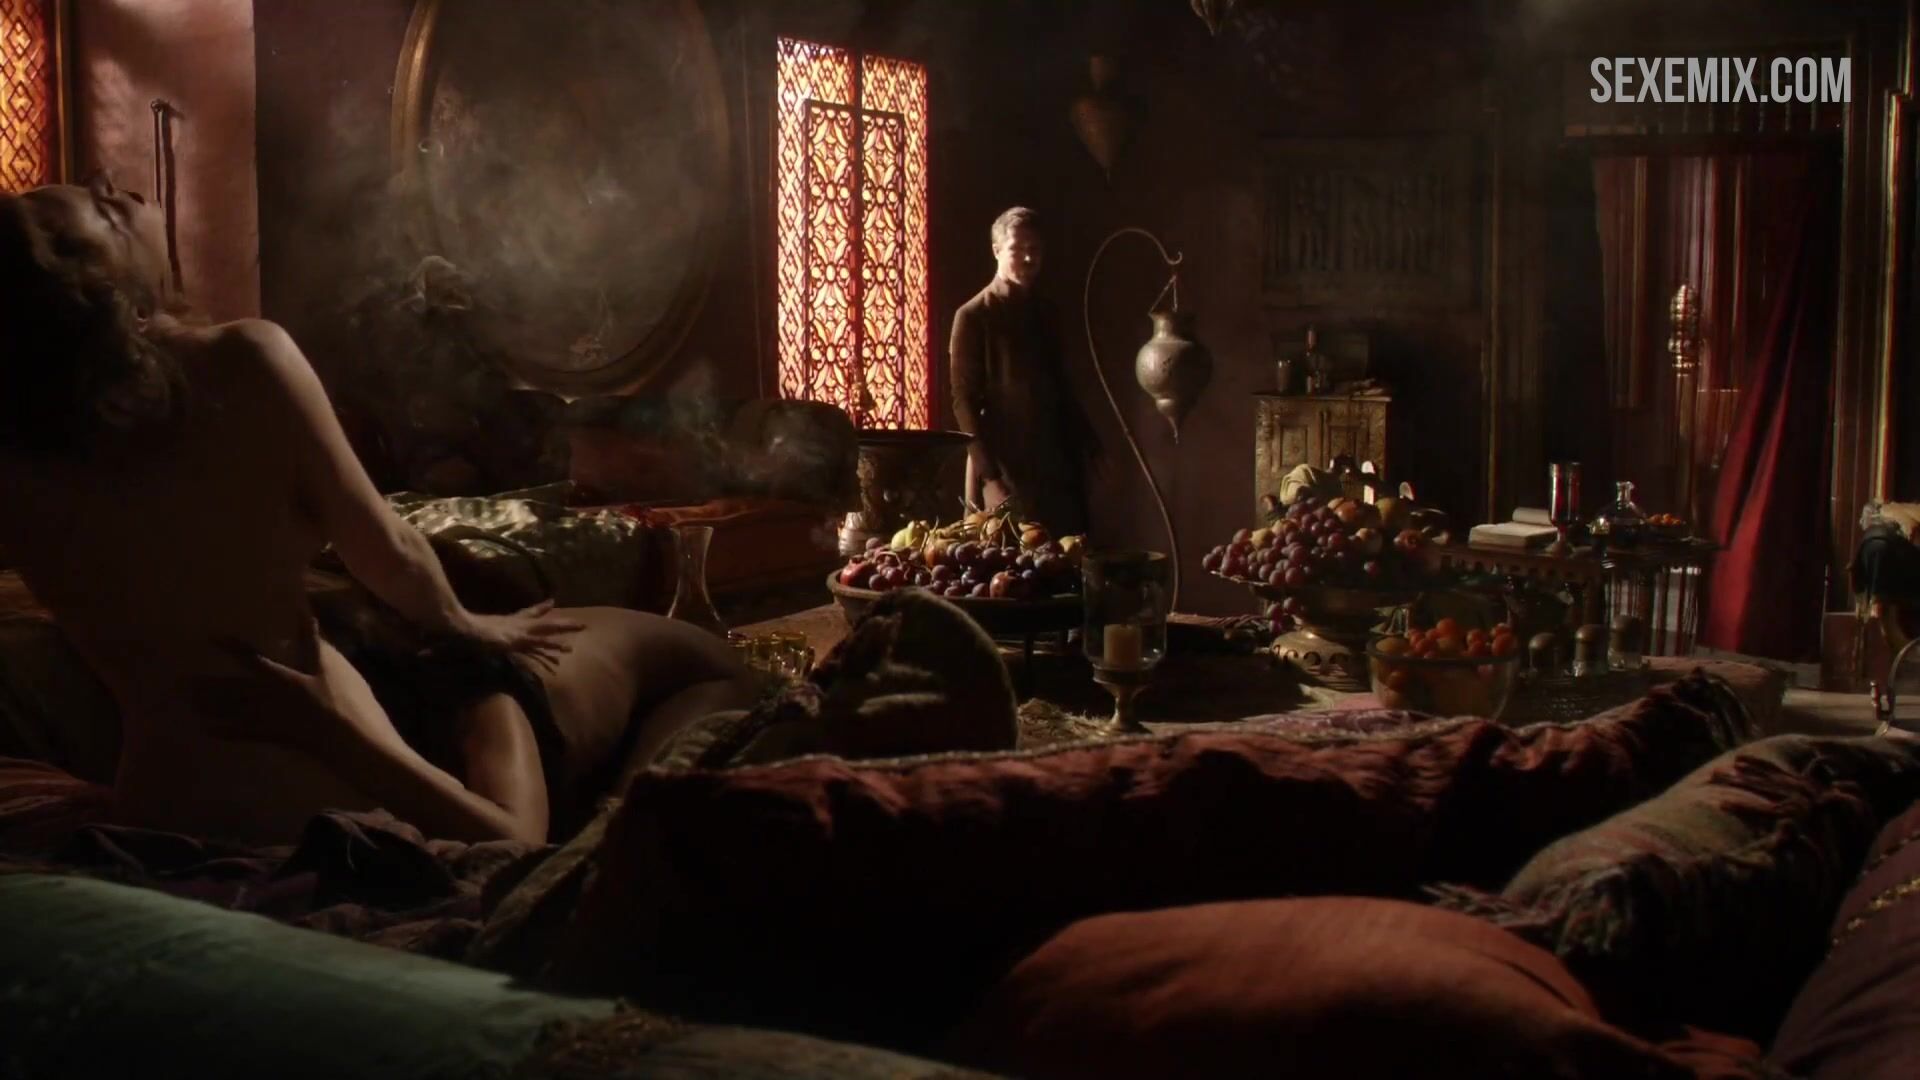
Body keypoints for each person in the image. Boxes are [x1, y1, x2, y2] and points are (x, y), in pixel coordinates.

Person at [0, 176, 757, 845]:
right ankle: (620, 835)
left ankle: (622, 817)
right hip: (309, 778)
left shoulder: (17, 456)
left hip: (162, 791)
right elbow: (388, 549)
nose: (123, 189)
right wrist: (465, 624)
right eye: (107, 208)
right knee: (713, 668)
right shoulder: (244, 362)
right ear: (115, 300)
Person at [949, 207, 1102, 537]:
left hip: (1054, 459)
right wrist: (990, 478)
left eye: (1035, 250)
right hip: (1004, 460)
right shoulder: (974, 316)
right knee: (1007, 555)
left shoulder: (1047, 313)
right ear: (997, 250)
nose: (1029, 259)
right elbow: (963, 402)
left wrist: (1092, 448)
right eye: (1018, 249)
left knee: (1065, 553)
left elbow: (1062, 387)